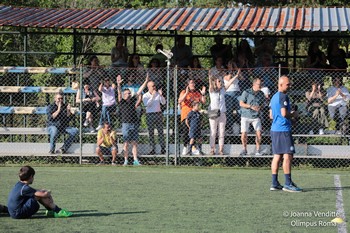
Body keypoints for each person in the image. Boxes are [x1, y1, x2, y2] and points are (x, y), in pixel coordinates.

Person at [269, 75, 302, 192]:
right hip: (283, 130)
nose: (289, 86)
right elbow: (283, 113)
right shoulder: (283, 96)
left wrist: (288, 118)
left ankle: (274, 183)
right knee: (288, 155)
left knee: (277, 156)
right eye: (287, 84)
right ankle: (288, 183)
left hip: (275, 129)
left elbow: (271, 115)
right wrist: (294, 115)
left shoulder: (273, 97)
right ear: (281, 84)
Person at [7, 166, 73, 219]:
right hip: (18, 214)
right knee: (40, 195)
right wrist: (48, 192)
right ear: (31, 176)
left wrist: (42, 191)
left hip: (15, 213)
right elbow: (44, 194)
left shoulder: (19, 184)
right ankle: (58, 211)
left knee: (39, 194)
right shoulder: (25, 188)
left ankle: (50, 211)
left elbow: (33, 191)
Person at [117, 74, 148, 166]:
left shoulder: (133, 100)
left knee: (134, 143)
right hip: (126, 124)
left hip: (134, 123)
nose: (130, 94)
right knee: (126, 143)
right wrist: (118, 84)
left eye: (130, 93)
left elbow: (139, 91)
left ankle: (135, 160)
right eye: (128, 93)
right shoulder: (122, 101)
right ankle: (126, 160)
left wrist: (146, 81)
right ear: (124, 95)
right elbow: (119, 92)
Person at [208, 75, 237, 155]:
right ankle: (212, 149)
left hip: (222, 113)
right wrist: (210, 76)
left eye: (221, 81)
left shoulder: (223, 90)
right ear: (215, 83)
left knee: (221, 132)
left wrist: (236, 76)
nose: (221, 83)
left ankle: (221, 149)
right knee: (213, 132)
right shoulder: (212, 91)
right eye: (219, 81)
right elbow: (210, 83)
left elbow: (230, 83)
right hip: (214, 114)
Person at [178, 79, 206, 155]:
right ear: (188, 85)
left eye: (194, 83)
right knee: (186, 132)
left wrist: (203, 94)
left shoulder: (197, 93)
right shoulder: (183, 92)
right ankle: (185, 147)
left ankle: (193, 148)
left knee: (195, 133)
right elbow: (180, 101)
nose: (193, 84)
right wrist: (186, 93)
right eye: (191, 83)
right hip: (186, 115)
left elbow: (203, 101)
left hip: (195, 116)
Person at [239, 77, 265, 156]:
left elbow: (263, 104)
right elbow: (241, 103)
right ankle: (244, 149)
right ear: (254, 84)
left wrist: (260, 107)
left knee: (259, 134)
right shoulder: (246, 92)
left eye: (261, 84)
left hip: (255, 116)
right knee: (244, 134)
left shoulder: (261, 94)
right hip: (245, 115)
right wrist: (250, 106)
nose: (260, 86)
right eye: (258, 84)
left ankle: (257, 150)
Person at [143, 81, 166, 155]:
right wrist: (152, 96)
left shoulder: (158, 94)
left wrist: (161, 95)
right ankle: (152, 148)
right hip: (150, 115)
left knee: (160, 132)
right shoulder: (145, 95)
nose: (154, 87)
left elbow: (163, 102)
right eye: (152, 86)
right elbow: (147, 104)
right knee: (151, 133)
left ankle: (163, 148)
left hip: (158, 114)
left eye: (154, 86)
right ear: (148, 87)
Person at [224, 61, 241, 134]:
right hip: (229, 93)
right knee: (229, 110)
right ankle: (230, 127)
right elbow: (228, 78)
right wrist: (231, 71)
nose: (231, 66)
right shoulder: (224, 73)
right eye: (230, 64)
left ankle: (240, 126)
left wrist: (236, 68)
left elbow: (242, 78)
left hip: (237, 92)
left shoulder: (235, 73)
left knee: (239, 110)